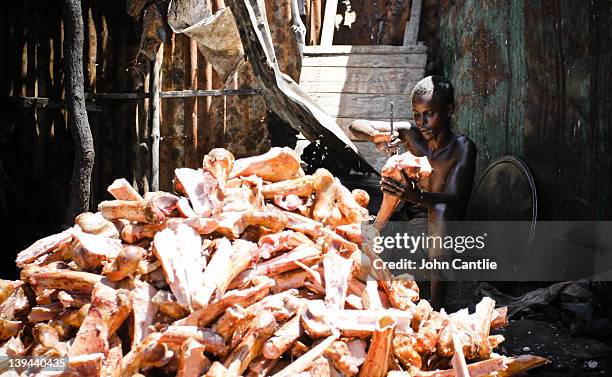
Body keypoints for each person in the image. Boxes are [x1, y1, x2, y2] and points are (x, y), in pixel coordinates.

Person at [349, 75, 477, 308]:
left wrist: (412, 195)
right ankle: (376, 229)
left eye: (429, 114)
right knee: (394, 170)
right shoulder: (410, 134)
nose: (421, 122)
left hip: (446, 220)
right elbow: (355, 124)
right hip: (410, 211)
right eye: (417, 115)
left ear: (450, 110)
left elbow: (455, 202)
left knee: (439, 210)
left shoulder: (462, 148)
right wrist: (375, 136)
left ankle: (436, 305)